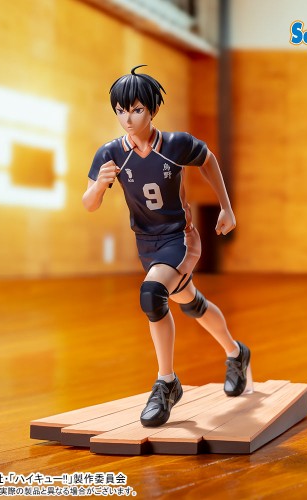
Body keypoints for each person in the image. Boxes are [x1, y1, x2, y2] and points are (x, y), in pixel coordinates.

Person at [82, 65, 251, 427]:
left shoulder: (175, 145)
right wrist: (98, 186)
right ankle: (236, 353)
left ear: (153, 110)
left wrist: (226, 207)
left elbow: (208, 160)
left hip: (181, 238)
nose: (128, 119)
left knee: (152, 294)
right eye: (121, 111)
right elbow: (89, 204)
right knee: (190, 302)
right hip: (147, 244)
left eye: (136, 110)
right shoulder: (111, 154)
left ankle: (167, 382)